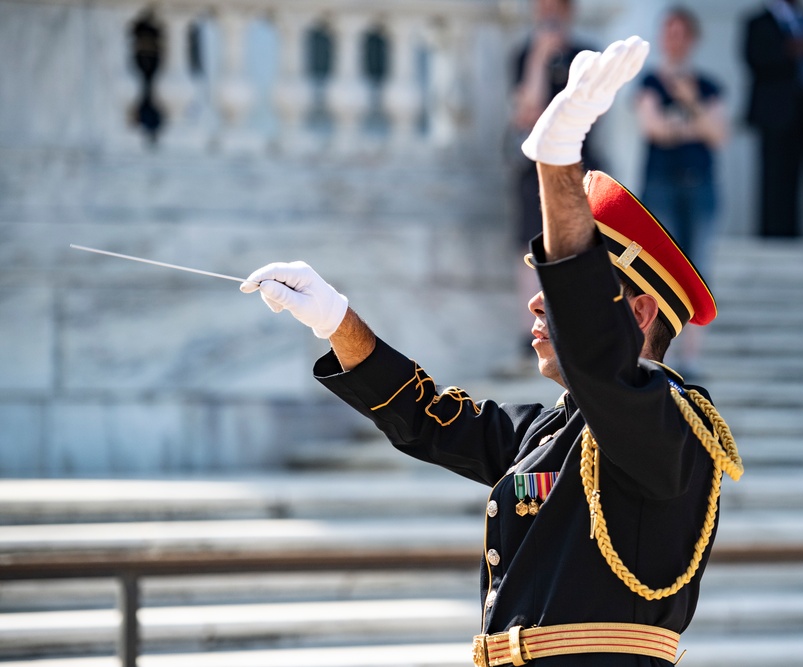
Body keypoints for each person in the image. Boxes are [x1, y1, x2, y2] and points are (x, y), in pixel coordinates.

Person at [241, 37, 741, 666]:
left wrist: (556, 164)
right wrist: (339, 323)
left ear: (637, 314)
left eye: (558, 288)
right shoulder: (555, 431)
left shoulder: (670, 422)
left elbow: (600, 360)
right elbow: (430, 419)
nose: (537, 302)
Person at [636, 5, 728, 377]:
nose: (672, 40)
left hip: (700, 185)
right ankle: (661, 354)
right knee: (658, 269)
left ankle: (692, 358)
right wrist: (695, 124)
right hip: (660, 185)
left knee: (698, 268)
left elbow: (719, 134)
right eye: (667, 32)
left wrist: (687, 103)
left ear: (691, 39)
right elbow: (653, 129)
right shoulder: (649, 83)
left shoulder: (706, 86)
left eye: (680, 33)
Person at [509, 0, 600, 350]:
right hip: (533, 168)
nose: (548, 11)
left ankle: (574, 329)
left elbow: (590, 114)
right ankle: (529, 333)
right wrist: (538, 58)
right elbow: (525, 111)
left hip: (578, 164)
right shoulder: (523, 56)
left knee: (577, 248)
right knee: (529, 249)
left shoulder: (585, 56)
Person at [742, 0, 803, 238]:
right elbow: (753, 59)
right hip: (773, 113)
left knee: (798, 176)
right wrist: (787, 50)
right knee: (773, 176)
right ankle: (771, 232)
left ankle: (793, 231)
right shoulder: (758, 22)